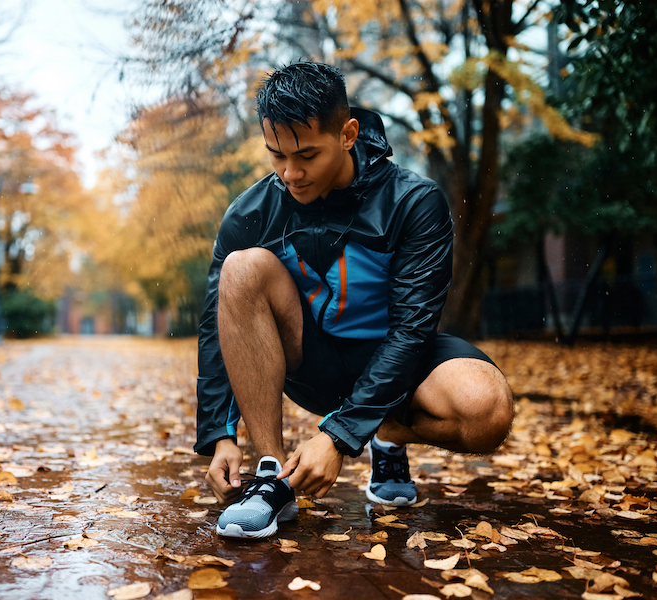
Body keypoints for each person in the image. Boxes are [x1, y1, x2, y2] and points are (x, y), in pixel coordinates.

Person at [195, 62, 514, 539]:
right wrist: (221, 434)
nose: (290, 173)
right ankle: (270, 478)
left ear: (348, 134)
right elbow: (214, 323)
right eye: (276, 155)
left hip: (398, 358)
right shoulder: (251, 210)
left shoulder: (413, 201)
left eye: (306, 155)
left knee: (487, 410)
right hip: (313, 360)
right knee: (239, 269)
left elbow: (412, 330)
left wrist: (340, 437)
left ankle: (384, 433)